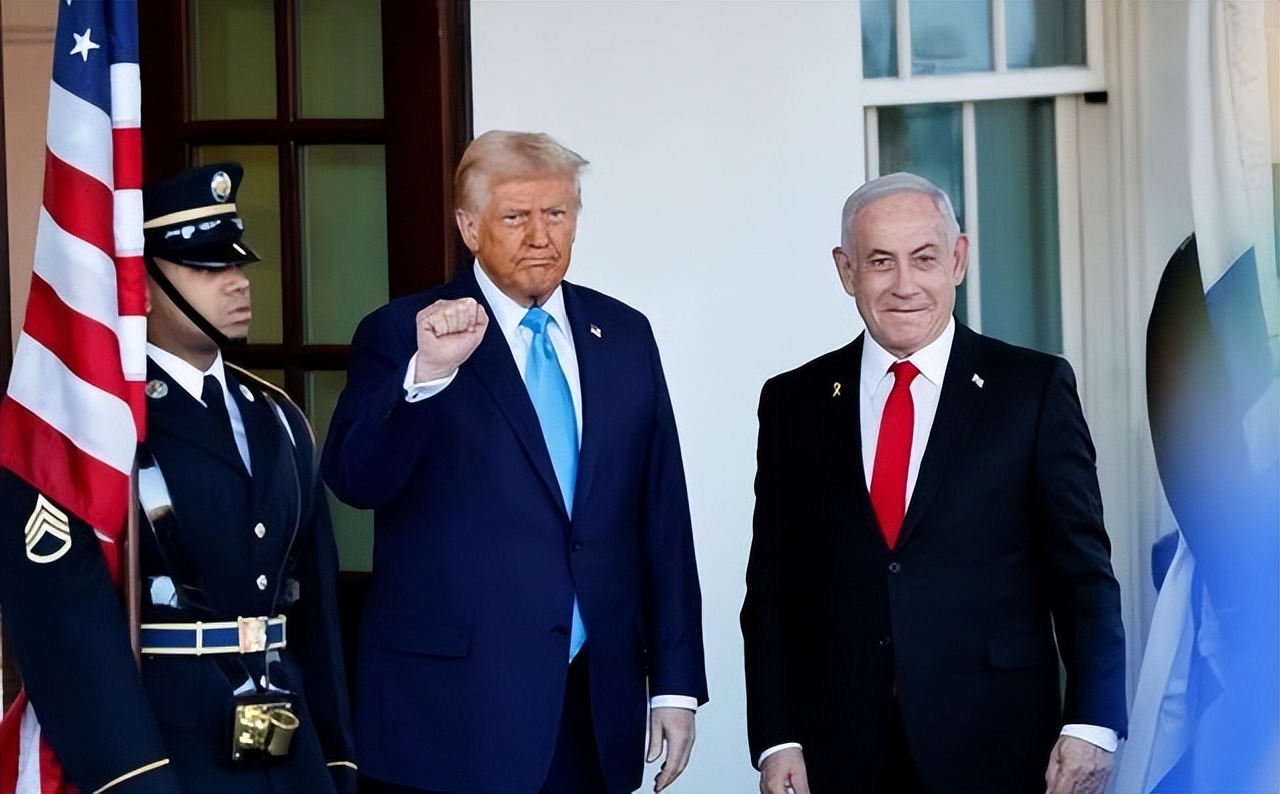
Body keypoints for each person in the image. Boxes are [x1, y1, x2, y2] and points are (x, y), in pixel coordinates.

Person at [322, 130, 708, 794]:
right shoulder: (404, 332)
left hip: (594, 701)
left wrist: (675, 683)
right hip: (452, 714)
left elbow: (662, 513)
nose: (539, 235)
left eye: (556, 213)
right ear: (469, 227)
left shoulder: (623, 334)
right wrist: (427, 376)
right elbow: (355, 479)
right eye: (514, 216)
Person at [740, 172, 1127, 794]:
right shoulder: (794, 402)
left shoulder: (1031, 390)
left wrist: (1093, 722)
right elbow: (772, 589)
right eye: (879, 262)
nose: (904, 285)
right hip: (839, 750)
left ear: (958, 259)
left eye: (923, 259)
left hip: (998, 742)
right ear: (846, 271)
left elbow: (1083, 575)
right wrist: (777, 737)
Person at [0, 162, 356, 793]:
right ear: (140, 289)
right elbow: (63, 618)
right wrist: (131, 774)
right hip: (169, 749)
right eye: (207, 268)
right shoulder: (96, 430)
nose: (238, 283)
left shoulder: (277, 417)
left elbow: (315, 613)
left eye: (238, 265)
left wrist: (336, 757)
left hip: (288, 745)